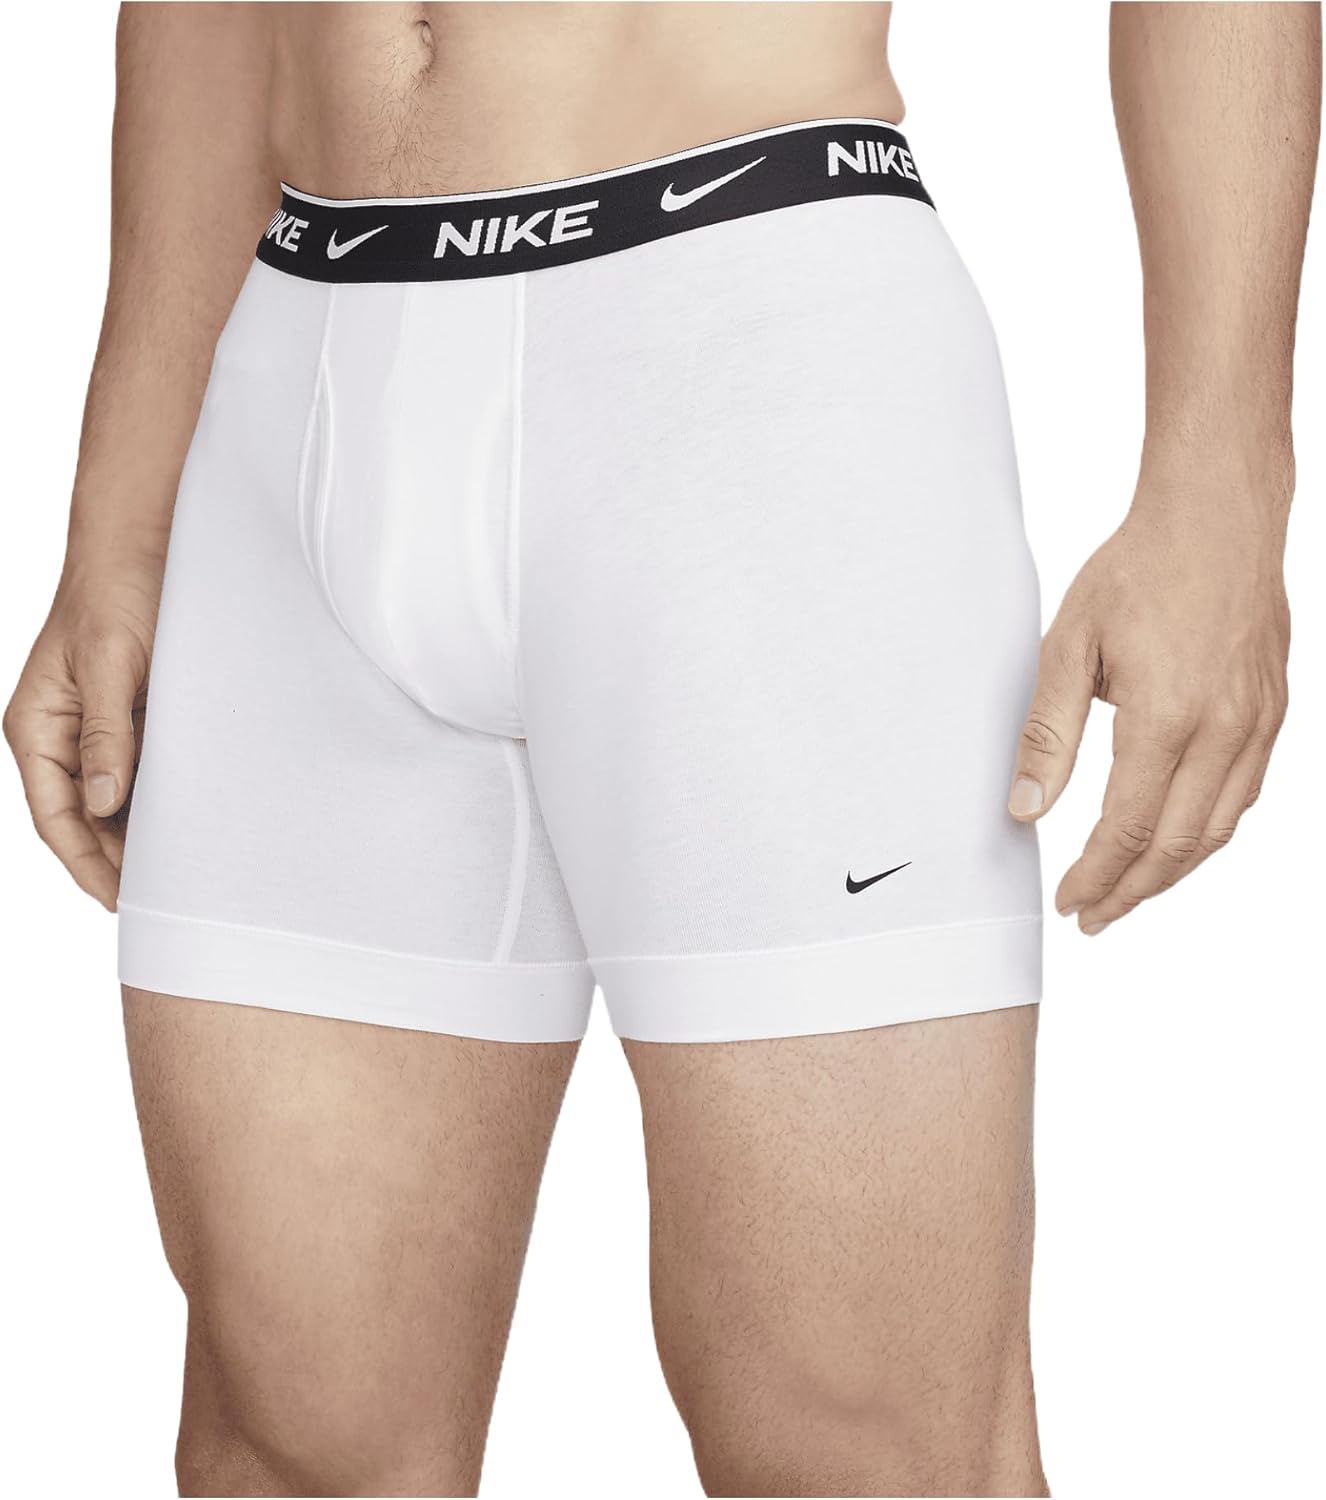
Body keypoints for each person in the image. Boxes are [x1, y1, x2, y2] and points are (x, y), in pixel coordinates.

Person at [5, 4, 1318, 1496]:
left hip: (748, 355)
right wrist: (121, 518)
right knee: (288, 1433)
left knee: (860, 1440)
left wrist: (1226, 479)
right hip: (296, 373)